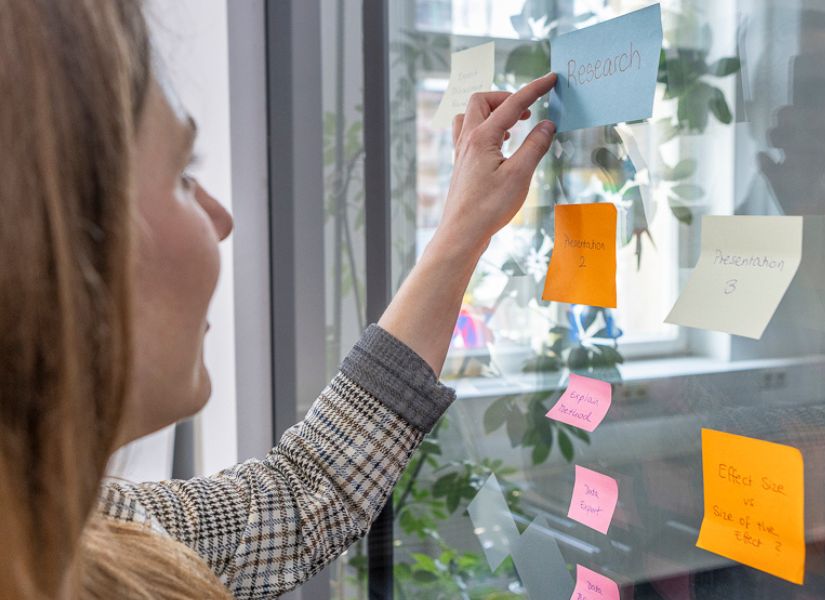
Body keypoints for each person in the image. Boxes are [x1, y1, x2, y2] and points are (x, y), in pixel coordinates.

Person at [0, 1, 557, 598]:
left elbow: (302, 494)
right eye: (184, 174)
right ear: (51, 243)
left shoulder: (92, 536)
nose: (221, 218)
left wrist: (460, 231)